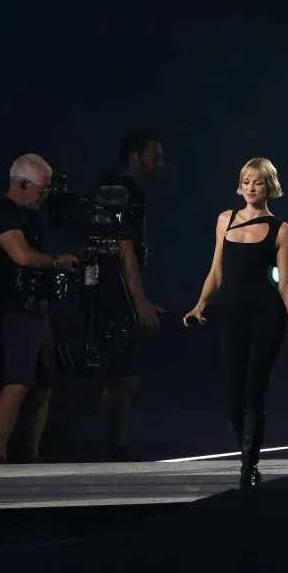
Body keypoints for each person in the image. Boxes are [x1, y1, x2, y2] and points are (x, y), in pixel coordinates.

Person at [183, 157, 288, 489]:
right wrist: (199, 304)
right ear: (240, 184)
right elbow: (217, 272)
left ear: (270, 187)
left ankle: (248, 467)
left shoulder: (282, 230)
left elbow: (285, 285)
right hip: (231, 317)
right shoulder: (226, 219)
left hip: (267, 318)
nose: (251, 187)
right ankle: (247, 453)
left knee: (255, 394)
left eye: (258, 182)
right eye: (246, 181)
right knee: (232, 403)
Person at [61, 131, 166, 460]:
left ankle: (117, 443)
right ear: (136, 157)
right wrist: (139, 301)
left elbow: (84, 239)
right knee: (126, 377)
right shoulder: (127, 193)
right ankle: (65, 428)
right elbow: (125, 247)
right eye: (155, 155)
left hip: (101, 291)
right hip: (116, 294)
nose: (160, 163)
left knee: (122, 371)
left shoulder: (102, 188)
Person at [0, 154, 77, 464]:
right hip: (14, 308)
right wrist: (60, 261)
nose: (44, 198)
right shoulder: (0, 212)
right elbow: (21, 256)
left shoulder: (27, 217)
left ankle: (31, 456)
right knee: (18, 381)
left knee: (43, 384)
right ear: (21, 184)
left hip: (37, 310)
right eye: (41, 191)